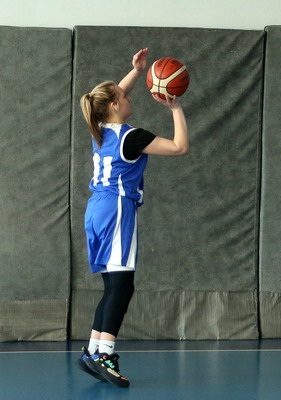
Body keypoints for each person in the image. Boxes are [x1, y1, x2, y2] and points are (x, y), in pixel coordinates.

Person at [76, 48, 189, 387]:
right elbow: (180, 147)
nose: (130, 97)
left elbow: (107, 97)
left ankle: (93, 351)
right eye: (125, 96)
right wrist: (175, 107)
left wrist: (137, 71)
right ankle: (104, 355)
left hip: (96, 210)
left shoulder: (100, 128)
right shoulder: (132, 136)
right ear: (114, 105)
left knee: (113, 286)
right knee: (122, 287)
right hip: (117, 210)